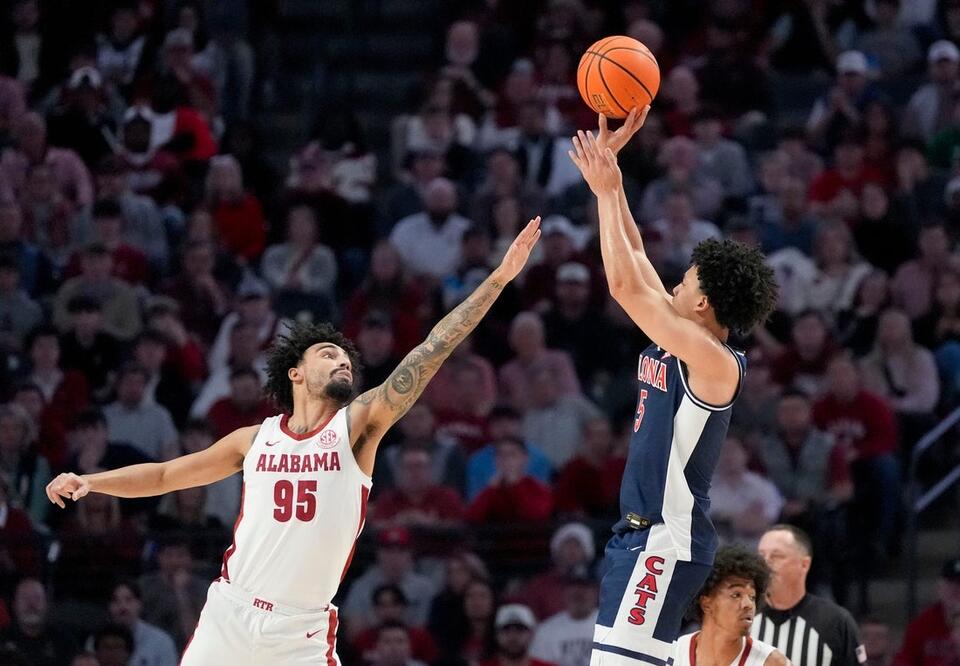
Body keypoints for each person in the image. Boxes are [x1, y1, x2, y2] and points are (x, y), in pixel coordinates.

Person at [46, 219, 541, 664]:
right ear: (296, 373)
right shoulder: (253, 439)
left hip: (299, 631)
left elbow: (432, 349)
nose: (342, 360)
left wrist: (498, 279)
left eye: (346, 358)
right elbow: (163, 475)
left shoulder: (355, 428)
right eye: (328, 354)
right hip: (230, 613)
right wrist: (91, 481)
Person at [568, 110, 778, 664]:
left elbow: (622, 286)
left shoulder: (715, 363)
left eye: (684, 282)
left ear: (703, 302)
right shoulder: (683, 334)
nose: (673, 285)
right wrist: (612, 177)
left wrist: (605, 191)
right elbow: (634, 258)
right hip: (642, 536)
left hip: (664, 540)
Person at [754, 525, 865, 666]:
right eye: (761, 556)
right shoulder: (739, 617)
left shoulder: (836, 622)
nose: (765, 562)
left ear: (804, 564)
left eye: (777, 556)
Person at [675, 545, 787, 666]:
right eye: (736, 595)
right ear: (706, 604)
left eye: (752, 597)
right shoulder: (674, 652)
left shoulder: (772, 662)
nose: (748, 604)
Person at [893, 557, 960, 666]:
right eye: (951, 583)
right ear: (939, 588)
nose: (957, 589)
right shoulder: (924, 624)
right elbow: (904, 659)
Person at [530, 566, 599, 666]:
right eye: (574, 587)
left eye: (585, 587)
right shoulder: (546, 630)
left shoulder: (610, 627)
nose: (579, 593)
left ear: (596, 591)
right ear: (564, 591)